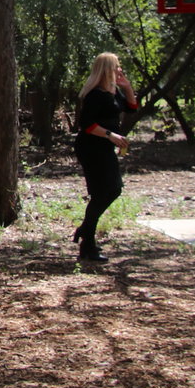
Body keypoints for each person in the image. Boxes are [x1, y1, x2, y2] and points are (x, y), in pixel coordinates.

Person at [72, 52, 137, 262]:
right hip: (91, 147)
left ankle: (85, 231)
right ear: (107, 68)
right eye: (117, 66)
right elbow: (87, 125)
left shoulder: (113, 92)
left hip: (105, 147)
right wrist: (112, 135)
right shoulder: (95, 94)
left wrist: (127, 88)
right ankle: (87, 243)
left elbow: (131, 108)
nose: (120, 70)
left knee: (112, 190)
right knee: (104, 191)